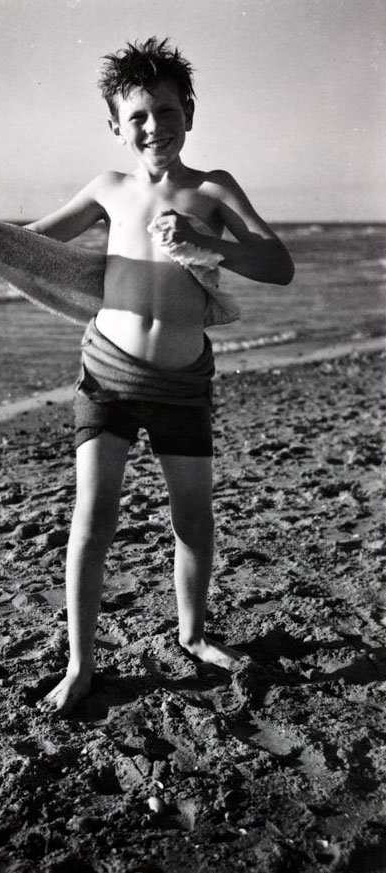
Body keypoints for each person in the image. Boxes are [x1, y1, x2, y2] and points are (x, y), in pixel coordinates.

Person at [26, 37, 294, 716]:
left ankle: (193, 632)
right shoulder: (107, 190)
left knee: (193, 520)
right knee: (93, 519)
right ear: (116, 125)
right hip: (107, 374)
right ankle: (81, 663)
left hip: (181, 383)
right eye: (137, 115)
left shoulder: (213, 188)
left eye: (166, 111)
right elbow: (28, 244)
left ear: (189, 113)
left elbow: (276, 264)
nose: (153, 125)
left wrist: (210, 243)